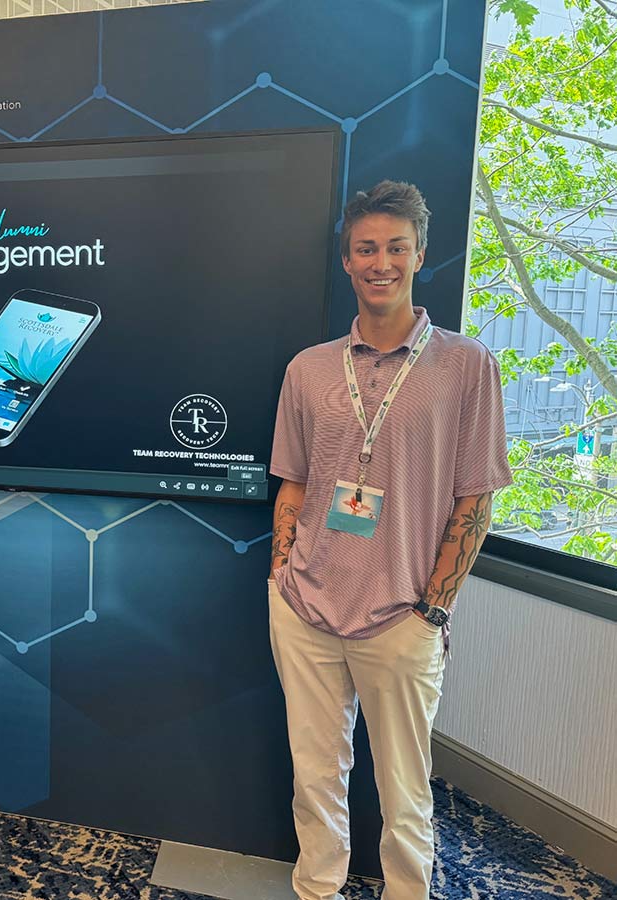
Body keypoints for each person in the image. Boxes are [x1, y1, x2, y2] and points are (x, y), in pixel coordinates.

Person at [268, 181, 511, 900]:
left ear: (419, 254)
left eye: (395, 248)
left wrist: (433, 609)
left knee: (405, 793)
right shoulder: (309, 369)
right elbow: (293, 484)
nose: (381, 263)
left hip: (402, 615)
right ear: (346, 260)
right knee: (314, 778)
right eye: (366, 248)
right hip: (305, 609)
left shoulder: (465, 366)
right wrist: (281, 576)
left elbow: (476, 498)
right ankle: (317, 888)